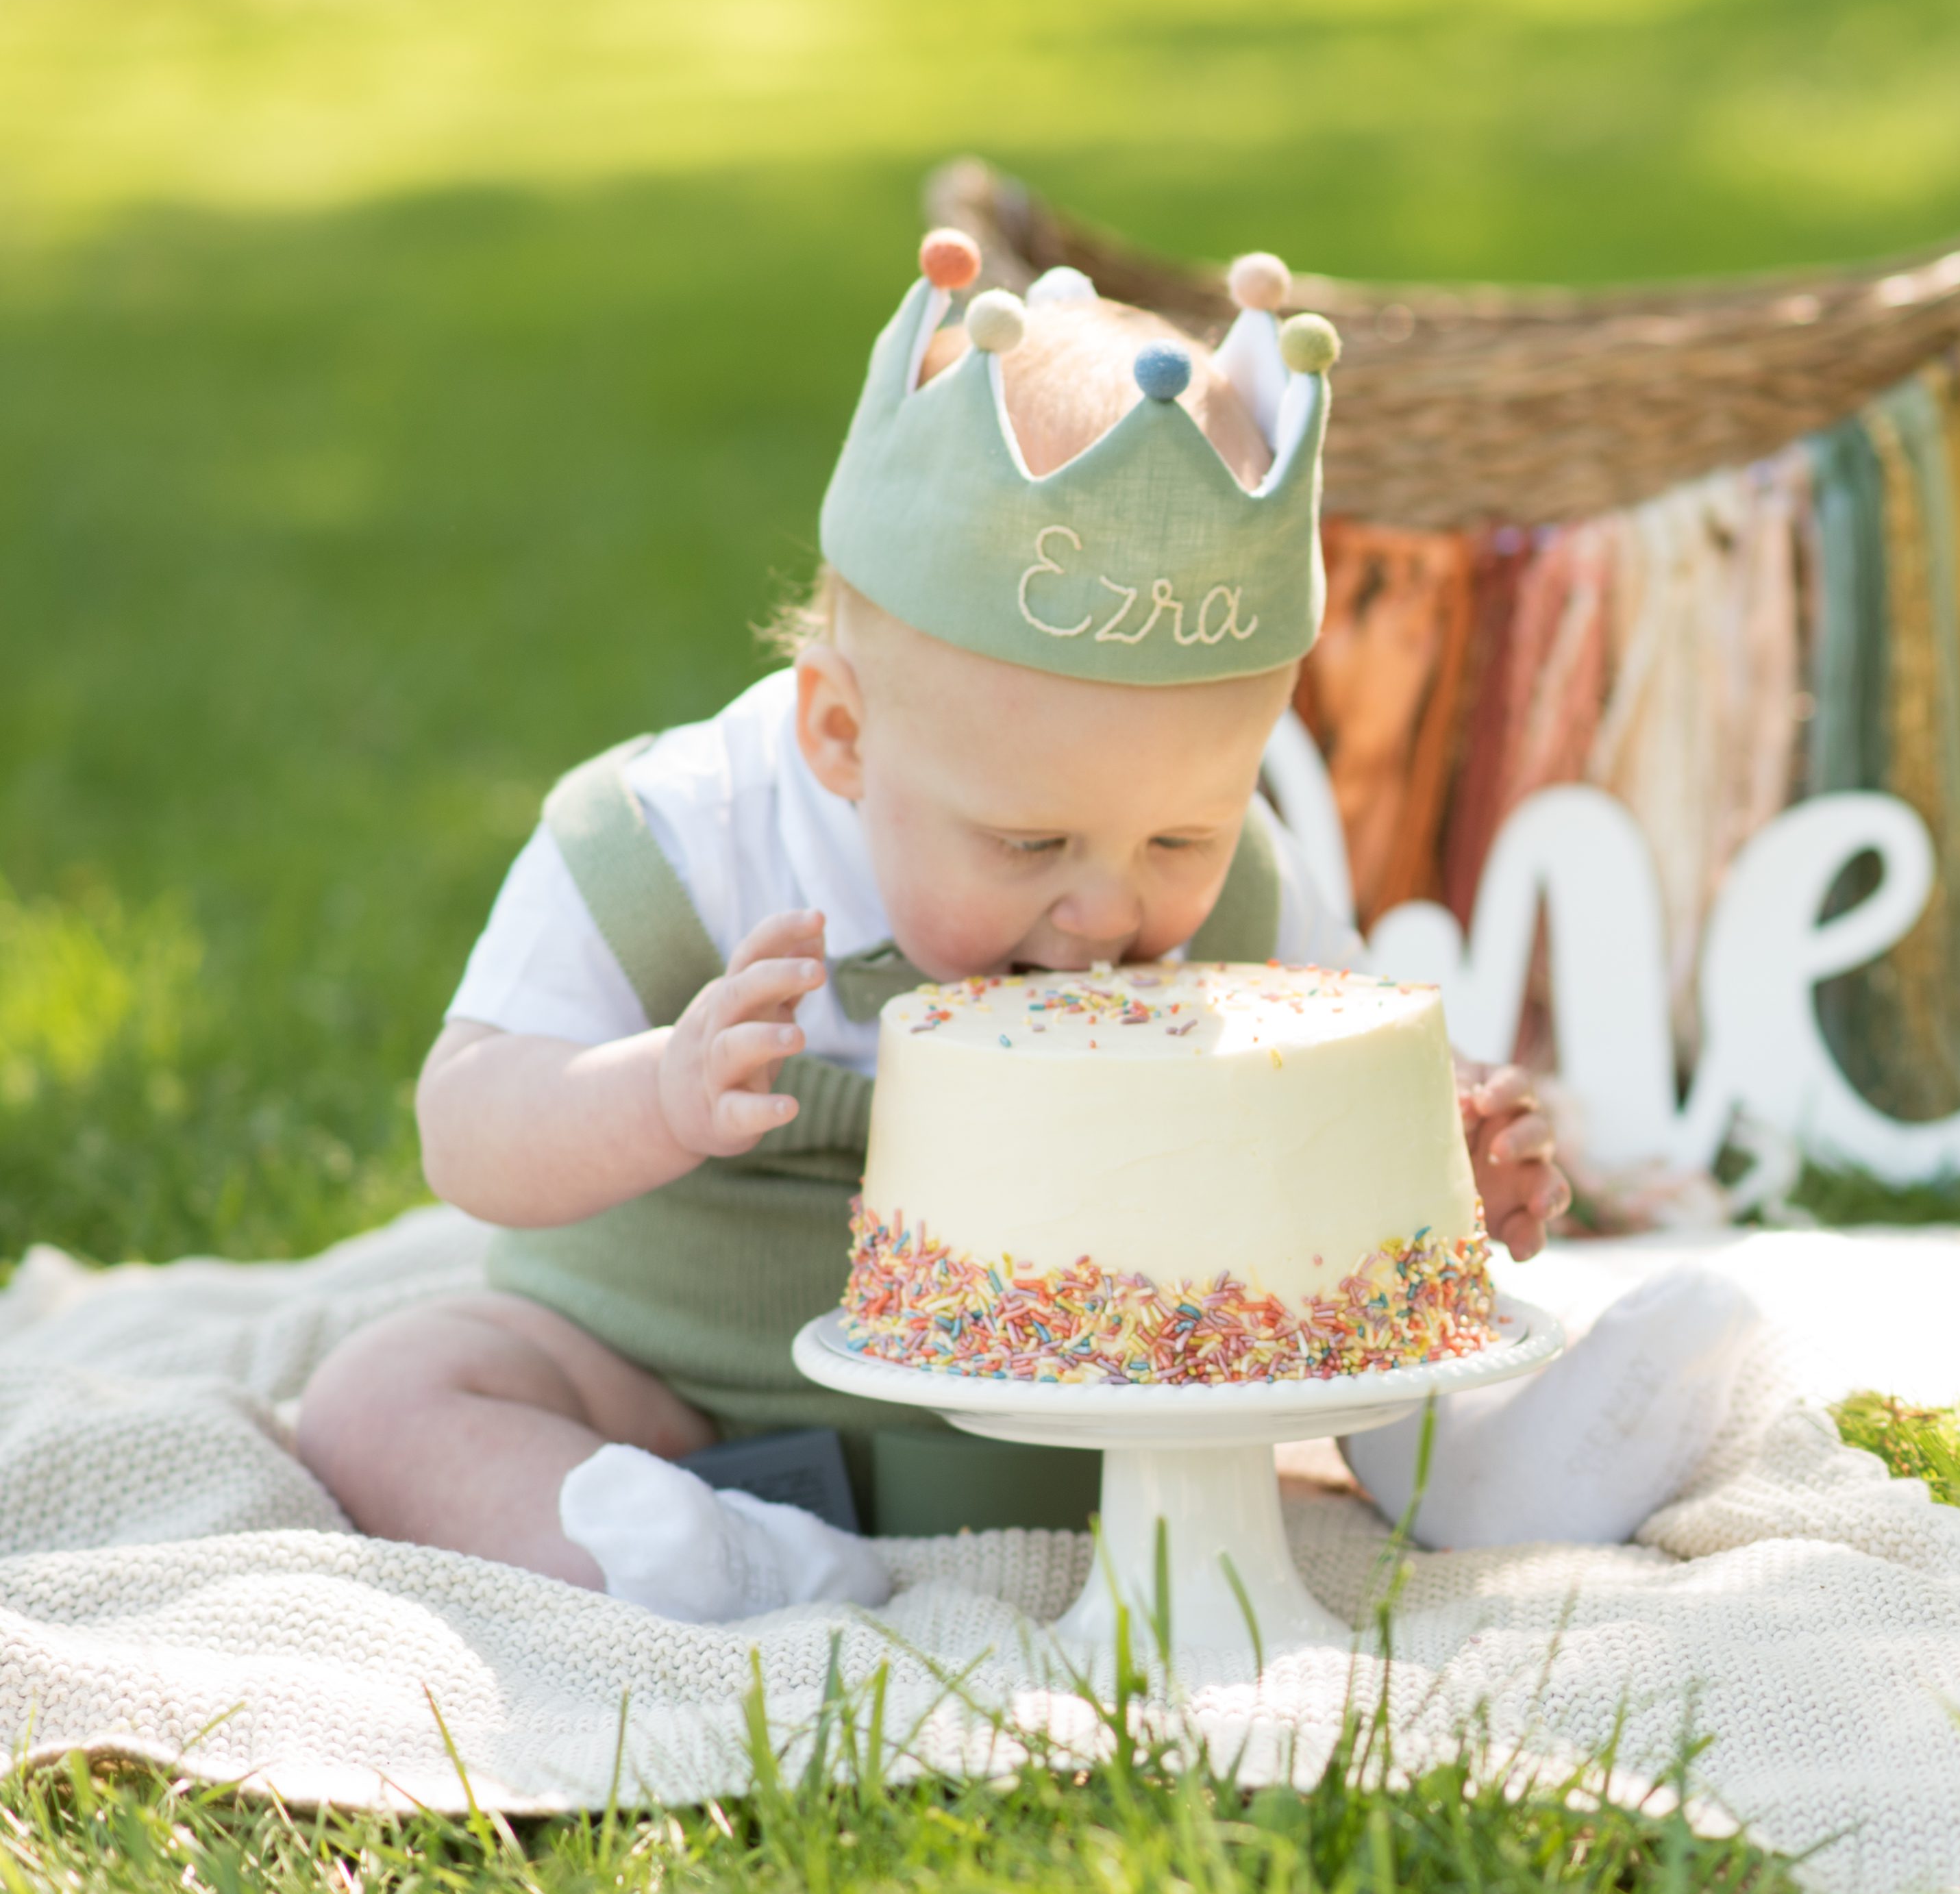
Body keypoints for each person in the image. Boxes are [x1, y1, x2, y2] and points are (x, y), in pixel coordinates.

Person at [296, 238, 1752, 1622]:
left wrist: (1453, 1158)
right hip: (677, 1381)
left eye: (1178, 833)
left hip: (1122, 1398)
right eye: (1027, 843)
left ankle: (1507, 1458)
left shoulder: (1243, 888)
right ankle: (696, 1560)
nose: (1109, 908)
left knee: (1356, 1326)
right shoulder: (668, 842)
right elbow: (467, 1124)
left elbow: (1349, 1116)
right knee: (389, 1395)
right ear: (843, 731)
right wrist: (654, 1092)